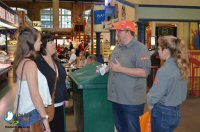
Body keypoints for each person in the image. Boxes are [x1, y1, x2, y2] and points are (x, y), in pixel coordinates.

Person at [108, 20, 151, 132]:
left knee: (133, 129)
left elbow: (144, 72)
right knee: (120, 128)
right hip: (117, 98)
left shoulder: (140, 49)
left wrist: (120, 69)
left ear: (128, 32)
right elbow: (113, 65)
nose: (117, 32)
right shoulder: (118, 48)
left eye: (120, 30)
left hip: (132, 102)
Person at [147, 36, 190, 132]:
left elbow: (153, 96)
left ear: (166, 50)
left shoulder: (164, 71)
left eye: (159, 48)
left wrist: (150, 108)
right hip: (176, 112)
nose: (157, 51)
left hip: (162, 113)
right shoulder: (183, 68)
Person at [13, 27, 51, 131]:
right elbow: (35, 95)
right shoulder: (30, 64)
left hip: (23, 114)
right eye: (39, 40)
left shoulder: (21, 61)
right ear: (31, 42)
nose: (40, 43)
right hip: (31, 115)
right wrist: (45, 120)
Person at [35, 33, 70, 132]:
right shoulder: (37, 63)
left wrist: (66, 97)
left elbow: (62, 80)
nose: (54, 44)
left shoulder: (56, 61)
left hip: (59, 105)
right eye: (51, 42)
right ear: (44, 46)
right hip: (46, 108)